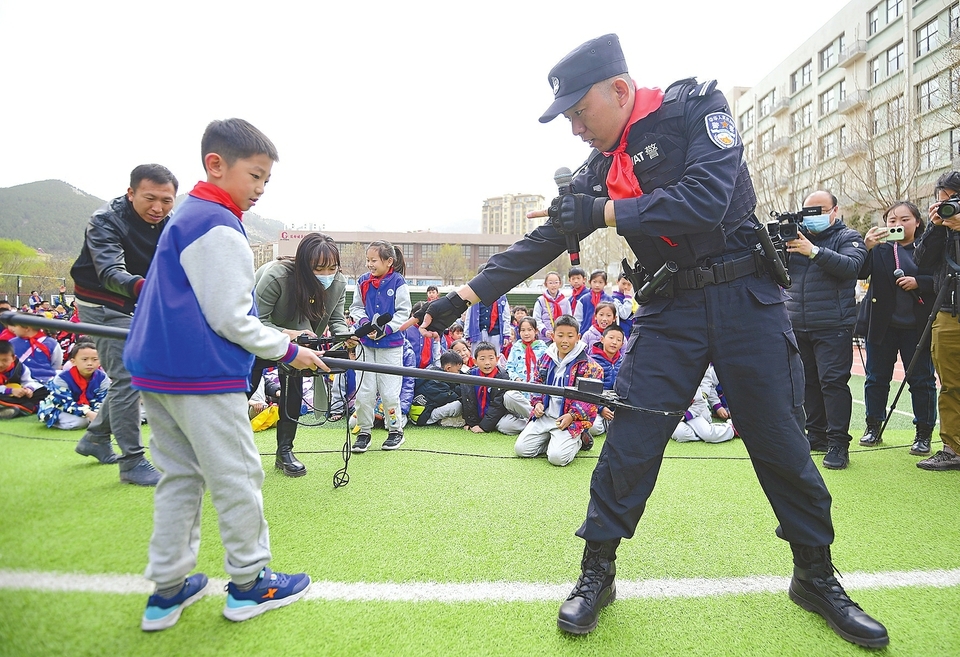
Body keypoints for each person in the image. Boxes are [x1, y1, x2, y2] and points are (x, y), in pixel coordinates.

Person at [417, 34, 887, 647]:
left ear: (618, 90)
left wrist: (603, 213)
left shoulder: (696, 107)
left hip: (747, 301)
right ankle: (598, 572)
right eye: (567, 118)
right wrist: (463, 298)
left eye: (579, 112)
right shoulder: (596, 171)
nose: (575, 128)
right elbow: (544, 242)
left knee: (780, 442)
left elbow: (705, 200)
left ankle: (815, 575)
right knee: (631, 440)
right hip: (670, 311)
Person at [123, 118, 322, 631]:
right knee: (236, 476)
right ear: (216, 164)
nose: (259, 189)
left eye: (266, 181)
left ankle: (167, 592)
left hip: (157, 372)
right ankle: (251, 584)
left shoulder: (186, 215)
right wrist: (287, 350)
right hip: (200, 375)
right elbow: (231, 318)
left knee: (180, 479)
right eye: (254, 176)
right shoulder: (217, 223)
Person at [69, 163, 179, 486]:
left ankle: (96, 437)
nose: (158, 208)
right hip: (100, 300)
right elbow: (109, 272)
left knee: (133, 374)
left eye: (167, 200)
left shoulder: (168, 224)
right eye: (149, 198)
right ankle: (132, 462)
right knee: (128, 376)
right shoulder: (105, 220)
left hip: (137, 299)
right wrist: (152, 289)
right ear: (131, 193)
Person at [250, 232, 350, 477]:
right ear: (303, 265)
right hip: (260, 340)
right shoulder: (277, 276)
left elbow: (336, 319)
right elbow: (253, 321)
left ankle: (284, 452)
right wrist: (289, 334)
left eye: (332, 268)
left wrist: (347, 337)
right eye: (319, 268)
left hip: (299, 345)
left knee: (292, 391)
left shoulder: (338, 284)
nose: (327, 275)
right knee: (242, 389)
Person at [784, 190, 866, 470]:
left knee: (833, 383)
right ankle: (815, 434)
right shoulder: (792, 239)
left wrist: (814, 251)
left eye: (820, 210)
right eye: (808, 211)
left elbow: (852, 266)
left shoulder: (848, 237)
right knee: (807, 383)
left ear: (835, 210)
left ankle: (838, 443)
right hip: (798, 323)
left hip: (834, 324)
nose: (813, 217)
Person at [856, 201, 937, 455]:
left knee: (922, 381)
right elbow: (858, 272)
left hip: (917, 327)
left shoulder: (930, 247)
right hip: (882, 326)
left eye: (904, 219)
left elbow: (942, 278)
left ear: (917, 222)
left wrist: (919, 282)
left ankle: (923, 433)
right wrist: (865, 245)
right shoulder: (879, 249)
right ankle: (873, 427)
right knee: (876, 378)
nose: (897, 225)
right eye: (892, 220)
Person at [913, 171, 960, 471]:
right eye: (942, 201)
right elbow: (921, 261)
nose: (948, 207)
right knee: (951, 384)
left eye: (953, 201)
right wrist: (935, 227)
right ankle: (952, 447)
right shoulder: (940, 228)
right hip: (947, 310)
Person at [514, 315, 604, 466]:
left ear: (578, 337)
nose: (564, 340)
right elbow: (536, 383)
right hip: (545, 415)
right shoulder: (545, 357)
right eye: (560, 335)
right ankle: (553, 441)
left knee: (557, 459)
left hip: (569, 420)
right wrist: (537, 403)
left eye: (570, 336)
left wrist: (571, 415)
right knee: (521, 450)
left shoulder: (591, 367)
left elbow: (590, 399)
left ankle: (579, 441)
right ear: (553, 335)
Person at [349, 239, 411, 453]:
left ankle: (395, 431)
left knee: (389, 392)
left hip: (391, 345)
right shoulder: (363, 281)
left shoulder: (398, 282)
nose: (369, 264)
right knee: (364, 392)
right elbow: (355, 308)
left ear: (388, 261)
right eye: (368, 260)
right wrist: (364, 324)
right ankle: (364, 431)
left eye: (373, 260)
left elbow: (404, 312)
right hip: (365, 345)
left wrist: (386, 329)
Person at [37, 340, 110, 430]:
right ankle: (54, 422)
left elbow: (102, 400)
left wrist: (97, 413)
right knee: (81, 422)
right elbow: (64, 403)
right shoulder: (62, 378)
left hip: (88, 409)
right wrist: (88, 413)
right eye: (84, 359)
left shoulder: (103, 377)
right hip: (59, 408)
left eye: (95, 359)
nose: (90, 363)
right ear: (73, 361)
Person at [459, 341, 527, 435]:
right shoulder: (470, 376)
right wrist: (472, 423)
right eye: (482, 359)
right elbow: (468, 402)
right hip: (493, 419)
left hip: (501, 413)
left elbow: (497, 405)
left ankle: (533, 416)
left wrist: (483, 426)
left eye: (491, 358)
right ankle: (529, 425)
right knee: (504, 426)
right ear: (475, 361)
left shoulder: (503, 376)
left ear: (497, 359)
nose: (487, 363)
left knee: (509, 396)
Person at [671, 364, 735, 444]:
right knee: (679, 434)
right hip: (676, 418)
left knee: (708, 434)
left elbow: (699, 403)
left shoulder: (688, 379)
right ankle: (701, 434)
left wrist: (685, 416)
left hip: (695, 413)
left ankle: (732, 428)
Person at [586, 323, 625, 438]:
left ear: (622, 344)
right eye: (611, 338)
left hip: (616, 404)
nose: (614, 342)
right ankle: (605, 422)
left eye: (618, 340)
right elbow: (588, 390)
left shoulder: (624, 362)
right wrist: (601, 408)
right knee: (594, 429)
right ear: (602, 339)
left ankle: (610, 421)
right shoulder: (591, 361)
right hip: (597, 403)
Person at [0, 339, 46, 418]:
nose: (0, 364)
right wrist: (10, 390)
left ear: (13, 358)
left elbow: (29, 381)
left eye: (5, 360)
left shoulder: (20, 367)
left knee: (45, 391)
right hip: (4, 396)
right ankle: (30, 408)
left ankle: (14, 409)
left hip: (16, 396)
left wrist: (28, 389)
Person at [532, 271, 571, 342]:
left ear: (560, 284)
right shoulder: (540, 301)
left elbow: (569, 318)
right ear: (545, 284)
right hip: (545, 338)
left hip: (561, 337)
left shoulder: (565, 301)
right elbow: (536, 319)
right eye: (550, 283)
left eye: (556, 282)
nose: (553, 285)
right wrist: (544, 331)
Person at [574, 269, 615, 334]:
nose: (597, 285)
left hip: (606, 335)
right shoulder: (583, 300)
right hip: (585, 333)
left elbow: (615, 319)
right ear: (590, 282)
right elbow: (577, 319)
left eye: (600, 282)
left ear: (605, 283)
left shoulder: (610, 300)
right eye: (594, 282)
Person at [612, 272, 636, 337]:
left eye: (629, 284)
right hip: (622, 334)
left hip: (632, 332)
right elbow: (624, 315)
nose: (626, 287)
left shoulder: (633, 298)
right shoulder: (614, 299)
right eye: (623, 283)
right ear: (617, 282)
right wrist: (627, 298)